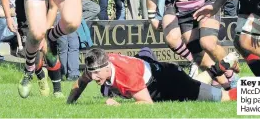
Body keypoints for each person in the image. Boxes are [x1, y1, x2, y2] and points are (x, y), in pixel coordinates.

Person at [66, 48, 237, 105]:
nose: (93, 77)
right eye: (91, 73)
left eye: (97, 73)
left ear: (106, 67)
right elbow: (79, 83)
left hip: (170, 81)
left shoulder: (127, 75)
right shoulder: (98, 64)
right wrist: (69, 105)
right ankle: (220, 68)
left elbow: (146, 104)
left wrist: (118, 106)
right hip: (158, 77)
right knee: (195, 85)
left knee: (224, 97)